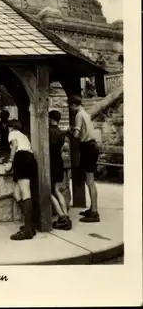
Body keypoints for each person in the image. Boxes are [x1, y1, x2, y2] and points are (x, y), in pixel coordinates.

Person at [67, 95, 100, 223]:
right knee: (89, 180)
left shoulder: (79, 115)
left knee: (90, 181)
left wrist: (69, 131)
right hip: (92, 146)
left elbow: (76, 134)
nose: (71, 109)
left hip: (88, 147)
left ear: (74, 105)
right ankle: (93, 208)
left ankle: (94, 212)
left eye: (70, 106)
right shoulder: (85, 113)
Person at [5, 120, 38, 240]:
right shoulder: (24, 135)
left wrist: (10, 162)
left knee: (25, 193)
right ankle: (30, 224)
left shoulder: (12, 133)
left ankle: (28, 230)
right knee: (17, 193)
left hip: (22, 159)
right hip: (29, 158)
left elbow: (14, 145)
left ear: (11, 127)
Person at [48, 110, 72, 230]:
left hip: (50, 163)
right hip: (59, 162)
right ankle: (66, 216)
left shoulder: (48, 132)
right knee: (57, 190)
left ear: (50, 119)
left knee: (49, 192)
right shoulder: (61, 133)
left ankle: (61, 216)